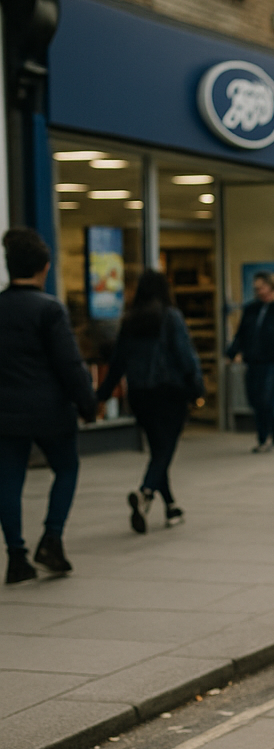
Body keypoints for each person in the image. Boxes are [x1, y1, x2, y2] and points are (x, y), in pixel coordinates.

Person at [0, 228, 96, 584]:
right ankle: (51, 539)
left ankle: (15, 556)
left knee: (8, 481)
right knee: (66, 468)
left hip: (5, 413)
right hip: (50, 411)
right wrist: (88, 404)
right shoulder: (50, 309)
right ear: (46, 266)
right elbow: (69, 364)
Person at [95, 269, 204, 533]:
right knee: (164, 452)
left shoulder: (130, 321)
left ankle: (171, 506)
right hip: (170, 394)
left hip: (140, 396)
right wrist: (197, 388)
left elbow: (117, 362)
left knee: (158, 451)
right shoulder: (171, 318)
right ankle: (145, 493)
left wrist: (100, 396)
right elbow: (185, 356)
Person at [226, 271, 274, 452]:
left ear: (272, 287)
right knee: (255, 398)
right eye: (256, 288)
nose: (259, 291)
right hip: (253, 360)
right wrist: (232, 353)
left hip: (272, 361)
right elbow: (241, 334)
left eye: (262, 287)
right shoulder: (251, 309)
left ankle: (265, 437)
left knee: (265, 397)